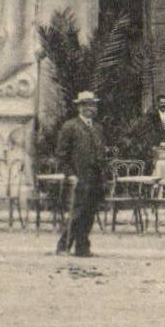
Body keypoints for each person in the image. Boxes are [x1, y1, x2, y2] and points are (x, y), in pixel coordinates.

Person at [55, 90, 106, 257]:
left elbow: (100, 152)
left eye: (93, 105)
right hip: (79, 177)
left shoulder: (98, 128)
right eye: (87, 105)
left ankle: (82, 247)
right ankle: (63, 246)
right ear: (80, 107)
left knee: (89, 213)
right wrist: (69, 174)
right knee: (77, 213)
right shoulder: (70, 126)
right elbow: (62, 155)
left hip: (95, 177)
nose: (91, 108)